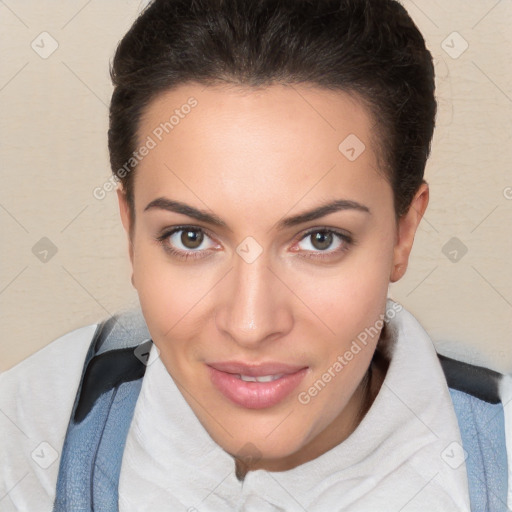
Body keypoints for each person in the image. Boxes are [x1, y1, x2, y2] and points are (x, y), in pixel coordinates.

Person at [1, 0, 510, 510]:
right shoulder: (25, 440)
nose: (250, 324)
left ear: (404, 233)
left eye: (319, 239)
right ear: (131, 229)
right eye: (191, 237)